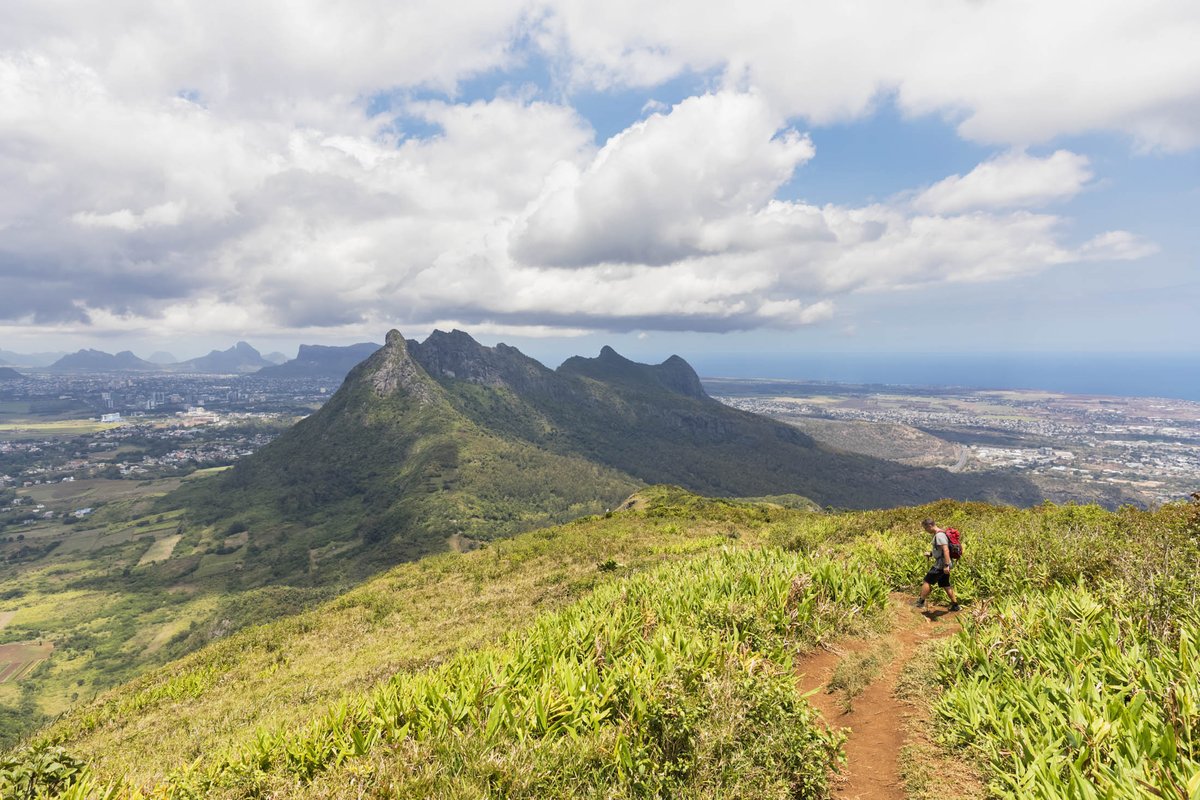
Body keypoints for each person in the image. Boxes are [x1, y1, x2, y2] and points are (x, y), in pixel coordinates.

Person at [916, 517, 960, 611]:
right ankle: (955, 605)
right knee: (945, 583)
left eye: (926, 528)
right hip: (944, 563)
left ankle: (920, 602)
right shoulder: (940, 533)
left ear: (930, 525)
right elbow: (941, 550)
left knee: (927, 581)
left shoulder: (939, 535)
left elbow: (946, 549)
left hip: (941, 564)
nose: (926, 531)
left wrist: (946, 565)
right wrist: (931, 554)